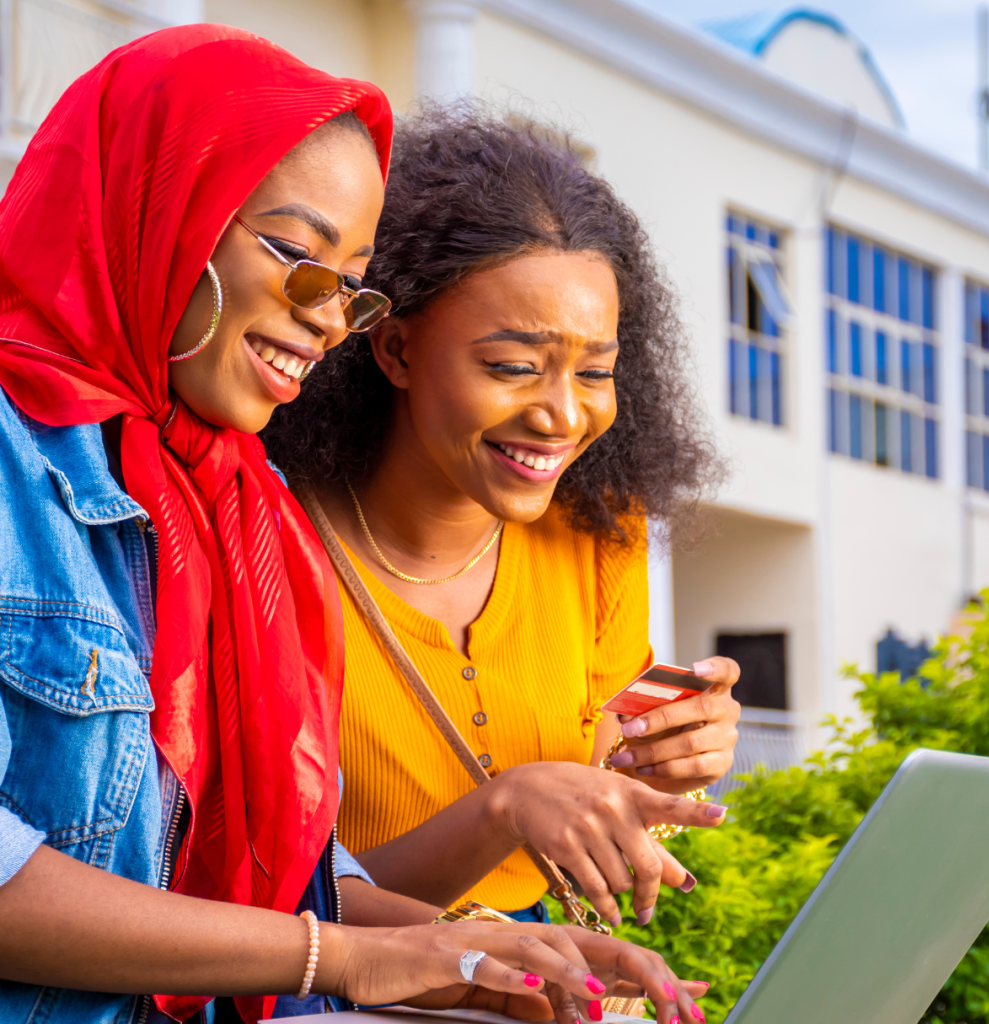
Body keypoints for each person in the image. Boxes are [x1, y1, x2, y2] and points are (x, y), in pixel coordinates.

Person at [0, 28, 710, 1024]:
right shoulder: (29, 465)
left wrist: (481, 957)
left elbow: (286, 882)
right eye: (299, 257)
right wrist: (337, 958)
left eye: (350, 282)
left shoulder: (231, 505)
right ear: (164, 210)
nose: (329, 318)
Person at [262, 108, 742, 930]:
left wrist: (659, 775)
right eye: (514, 367)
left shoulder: (598, 531)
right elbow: (251, 908)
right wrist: (502, 808)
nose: (561, 417)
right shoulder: (260, 536)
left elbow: (589, 815)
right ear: (396, 350)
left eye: (595, 372)